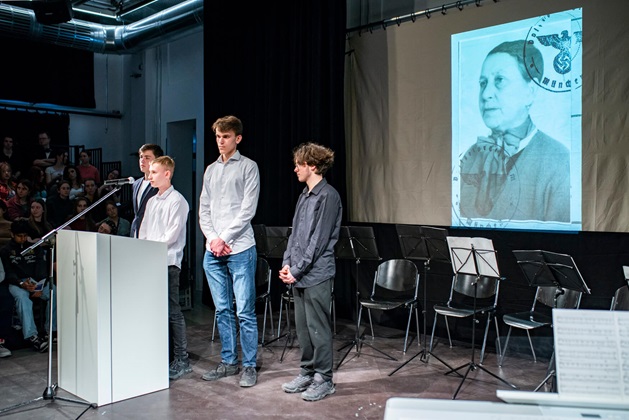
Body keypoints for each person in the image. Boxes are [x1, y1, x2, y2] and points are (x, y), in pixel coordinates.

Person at [459, 40, 570, 222]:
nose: (486, 94)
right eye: (483, 83)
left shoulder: (559, 161)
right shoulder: (470, 158)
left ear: (530, 92)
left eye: (499, 80)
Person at [199, 115, 260, 388]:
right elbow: (204, 209)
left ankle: (249, 365)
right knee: (222, 310)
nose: (221, 141)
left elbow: (248, 209)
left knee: (244, 311)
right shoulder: (211, 170)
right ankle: (228, 362)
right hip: (213, 251)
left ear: (238, 138)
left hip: (240, 248)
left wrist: (224, 238)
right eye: (218, 137)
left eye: (226, 136)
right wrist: (213, 239)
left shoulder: (249, 167)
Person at [279, 142, 342, 402]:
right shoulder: (304, 195)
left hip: (316, 273)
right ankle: (307, 371)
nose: (295, 169)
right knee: (303, 328)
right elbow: (295, 234)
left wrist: (297, 269)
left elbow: (318, 241)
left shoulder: (328, 196)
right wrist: (287, 264)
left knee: (318, 328)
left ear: (312, 166)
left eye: (299, 165)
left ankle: (323, 378)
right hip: (299, 273)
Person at [138, 156, 191, 380]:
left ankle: (182, 359)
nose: (150, 176)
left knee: (172, 311)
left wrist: (151, 248)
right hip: (151, 261)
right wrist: (143, 249)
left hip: (168, 262)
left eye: (154, 172)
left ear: (167, 174)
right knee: (155, 311)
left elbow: (172, 234)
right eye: (149, 172)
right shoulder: (152, 201)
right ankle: (160, 354)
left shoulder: (177, 201)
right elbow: (144, 230)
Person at [1, 220, 55, 352]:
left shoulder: (34, 247)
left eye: (25, 235)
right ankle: (33, 336)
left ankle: (51, 331)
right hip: (17, 283)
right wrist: (21, 283)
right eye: (20, 235)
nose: (23, 238)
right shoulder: (5, 250)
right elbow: (8, 272)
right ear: (12, 234)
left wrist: (40, 285)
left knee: (56, 293)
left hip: (36, 281)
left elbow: (42, 267)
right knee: (22, 298)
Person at [131, 144, 163, 238]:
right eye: (141, 157)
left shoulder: (160, 184)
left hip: (153, 231)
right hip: (136, 231)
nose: (142, 160)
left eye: (147, 157)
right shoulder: (136, 183)